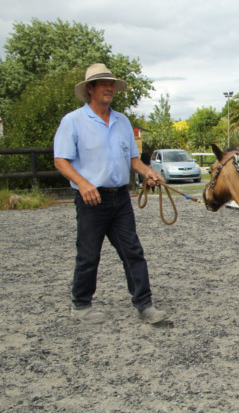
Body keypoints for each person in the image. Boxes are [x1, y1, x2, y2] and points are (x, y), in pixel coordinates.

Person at [54, 63, 167, 324]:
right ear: (90, 89)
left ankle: (144, 304)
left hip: (120, 198)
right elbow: (61, 160)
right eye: (103, 84)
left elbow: (133, 161)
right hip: (90, 199)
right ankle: (81, 305)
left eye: (111, 84)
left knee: (133, 251)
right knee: (88, 253)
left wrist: (148, 173)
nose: (109, 88)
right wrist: (83, 183)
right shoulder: (73, 121)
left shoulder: (122, 121)